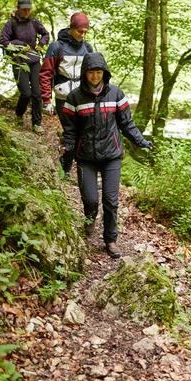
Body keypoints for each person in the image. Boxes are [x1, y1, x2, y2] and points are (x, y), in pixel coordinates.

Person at [60, 52, 153, 258]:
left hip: (111, 155)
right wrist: (66, 147)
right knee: (91, 199)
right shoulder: (74, 98)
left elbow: (127, 124)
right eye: (91, 72)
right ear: (85, 73)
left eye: (99, 72)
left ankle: (111, 240)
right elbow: (70, 130)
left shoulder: (116, 94)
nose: (95, 76)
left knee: (110, 200)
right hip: (85, 157)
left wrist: (141, 141)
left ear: (104, 73)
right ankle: (89, 219)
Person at [39, 12, 93, 177]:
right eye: (79, 31)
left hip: (84, 97)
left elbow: (93, 73)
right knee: (72, 133)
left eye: (85, 32)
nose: (82, 35)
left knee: (85, 134)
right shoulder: (57, 47)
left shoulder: (87, 48)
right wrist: (46, 99)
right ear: (72, 28)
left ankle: (83, 171)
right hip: (64, 98)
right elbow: (45, 74)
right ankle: (66, 170)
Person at [0, 0, 50, 133]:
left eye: (29, 9)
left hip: (34, 61)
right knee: (26, 93)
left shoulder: (34, 22)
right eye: (24, 9)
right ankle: (19, 114)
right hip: (18, 61)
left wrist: (41, 44)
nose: (27, 12)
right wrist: (21, 45)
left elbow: (46, 34)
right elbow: (3, 41)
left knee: (37, 93)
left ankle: (37, 123)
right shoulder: (11, 23)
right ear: (18, 8)